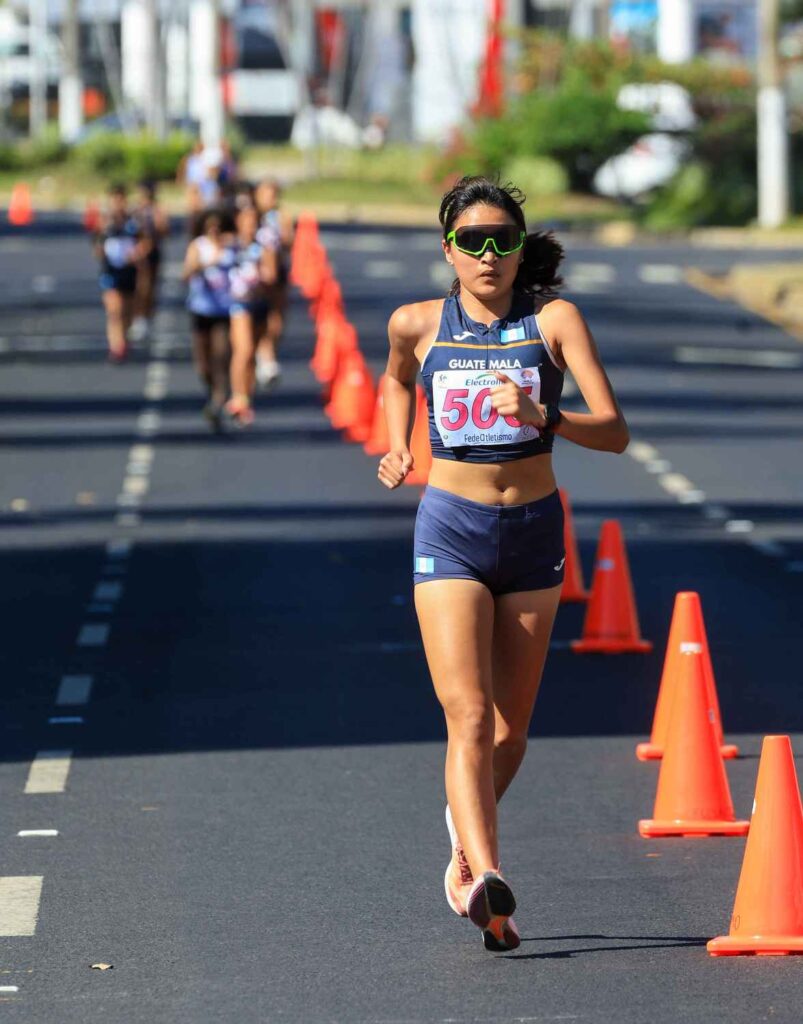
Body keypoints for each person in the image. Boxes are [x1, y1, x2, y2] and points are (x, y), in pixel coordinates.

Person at [378, 176, 629, 952]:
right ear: (447, 249)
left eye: (503, 241)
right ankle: (487, 875)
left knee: (511, 731)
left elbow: (614, 431)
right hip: (449, 531)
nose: (488, 256)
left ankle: (462, 844)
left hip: (531, 532)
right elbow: (394, 378)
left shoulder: (553, 321)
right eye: (472, 242)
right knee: (467, 714)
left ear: (520, 249)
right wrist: (397, 443)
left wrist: (544, 416)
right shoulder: (416, 323)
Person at [183, 207, 237, 430]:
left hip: (225, 310)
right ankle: (213, 390)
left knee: (221, 355)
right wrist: (204, 264)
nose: (214, 231)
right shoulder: (198, 246)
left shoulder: (233, 247)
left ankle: (219, 400)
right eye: (210, 227)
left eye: (218, 227)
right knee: (203, 363)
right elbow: (186, 274)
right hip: (201, 309)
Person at [225, 203, 278, 427]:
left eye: (254, 219)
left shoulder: (263, 245)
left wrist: (259, 276)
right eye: (246, 219)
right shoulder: (230, 244)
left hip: (259, 302)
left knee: (253, 352)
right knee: (243, 350)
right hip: (239, 304)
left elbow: (272, 275)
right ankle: (237, 396)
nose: (250, 224)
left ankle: (247, 397)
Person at [94, 183, 151, 362]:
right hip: (111, 270)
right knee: (114, 310)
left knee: (127, 308)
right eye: (115, 199)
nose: (118, 203)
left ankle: (124, 339)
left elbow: (146, 242)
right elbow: (96, 245)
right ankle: (116, 346)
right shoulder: (104, 222)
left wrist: (137, 253)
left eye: (121, 199)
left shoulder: (133, 221)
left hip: (129, 270)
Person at [254, 178, 294, 391]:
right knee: (258, 317)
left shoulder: (281, 216)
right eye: (266, 195)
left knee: (276, 319)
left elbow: (289, 243)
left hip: (277, 272)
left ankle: (268, 354)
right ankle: (263, 355)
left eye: (274, 195)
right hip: (254, 275)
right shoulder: (250, 216)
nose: (270, 199)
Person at [131, 180, 170, 342]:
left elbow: (164, 230)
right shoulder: (135, 210)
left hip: (152, 252)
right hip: (136, 253)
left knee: (149, 287)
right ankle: (137, 316)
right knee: (137, 286)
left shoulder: (157, 210)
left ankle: (146, 317)